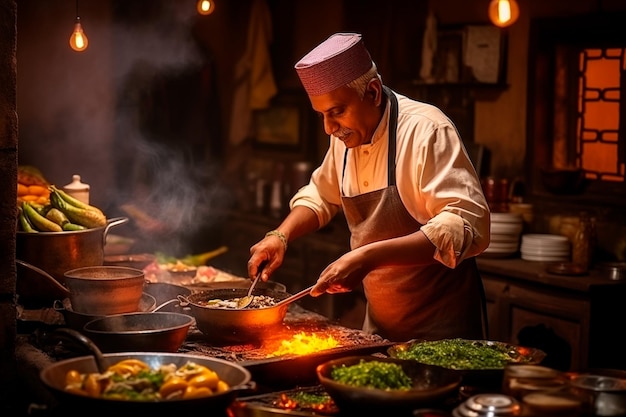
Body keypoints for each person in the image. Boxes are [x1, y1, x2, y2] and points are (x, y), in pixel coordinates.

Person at [247, 32, 490, 342]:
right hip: (380, 330)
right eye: (321, 115)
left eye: (336, 112)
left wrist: (366, 258)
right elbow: (322, 194)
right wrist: (279, 236)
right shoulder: (345, 137)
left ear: (373, 93)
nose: (329, 128)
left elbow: (463, 224)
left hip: (444, 335)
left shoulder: (426, 130)